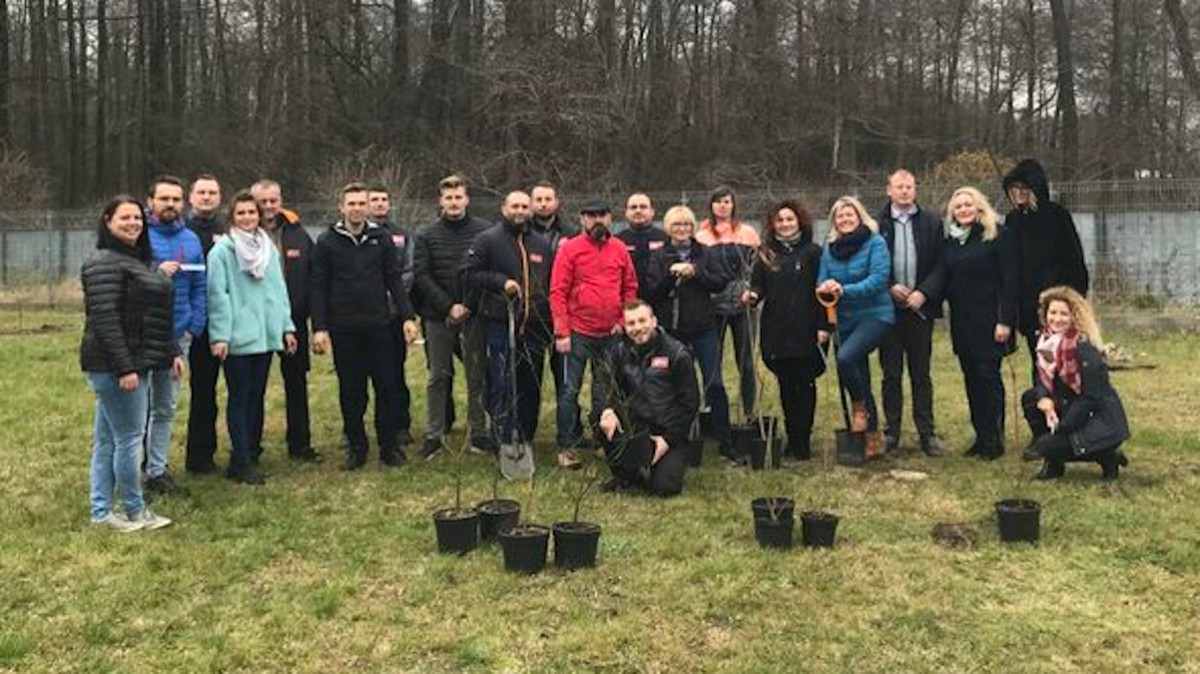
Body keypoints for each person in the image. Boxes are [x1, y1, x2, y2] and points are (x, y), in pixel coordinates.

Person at [81, 196, 176, 531]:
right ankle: (135, 510)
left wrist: (171, 351)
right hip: (116, 368)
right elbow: (105, 320)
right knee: (129, 439)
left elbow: (152, 316)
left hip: (136, 363)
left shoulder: (134, 260)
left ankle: (101, 511)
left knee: (108, 440)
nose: (134, 223)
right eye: (125, 218)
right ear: (108, 221)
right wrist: (125, 368)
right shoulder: (104, 263)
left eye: (137, 217)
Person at [312, 183, 419, 470]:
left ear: (367, 207)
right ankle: (356, 448)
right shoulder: (327, 242)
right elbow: (319, 286)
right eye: (352, 203)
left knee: (386, 387)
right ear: (342, 207)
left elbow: (394, 280)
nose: (357, 208)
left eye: (362, 203)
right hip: (344, 328)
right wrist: (319, 327)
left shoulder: (381, 238)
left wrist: (408, 317)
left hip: (380, 326)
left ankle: (389, 447)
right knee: (351, 391)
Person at [206, 191, 297, 485]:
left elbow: (278, 290)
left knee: (256, 397)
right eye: (241, 213)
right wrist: (219, 335)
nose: (247, 218)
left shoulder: (268, 248)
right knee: (240, 397)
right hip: (237, 337)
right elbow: (217, 296)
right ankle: (240, 459)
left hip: (265, 336)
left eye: (252, 213)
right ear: (232, 217)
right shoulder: (222, 251)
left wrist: (286, 326)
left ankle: (250, 453)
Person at [549, 199, 638, 469]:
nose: (597, 220)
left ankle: (602, 440)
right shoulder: (570, 249)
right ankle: (567, 446)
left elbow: (630, 286)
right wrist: (562, 331)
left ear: (611, 218)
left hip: (609, 334)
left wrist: (623, 320)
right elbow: (558, 291)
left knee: (603, 392)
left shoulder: (620, 249)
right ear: (582, 219)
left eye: (602, 215)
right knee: (569, 391)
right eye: (591, 216)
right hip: (577, 333)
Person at [462, 191, 553, 450]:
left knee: (530, 383)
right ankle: (502, 434)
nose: (520, 211)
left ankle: (524, 436)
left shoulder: (541, 244)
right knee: (501, 381)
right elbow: (469, 274)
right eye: (515, 206)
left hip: (534, 326)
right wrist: (501, 283)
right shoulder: (488, 239)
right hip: (501, 322)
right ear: (504, 208)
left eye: (525, 206)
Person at [644, 205, 735, 462]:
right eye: (676, 225)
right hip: (673, 331)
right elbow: (652, 291)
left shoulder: (704, 252)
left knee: (714, 383)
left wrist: (695, 272)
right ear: (668, 228)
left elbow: (719, 281)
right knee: (677, 387)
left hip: (704, 327)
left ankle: (725, 441)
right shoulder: (660, 255)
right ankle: (677, 439)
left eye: (686, 225)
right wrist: (671, 275)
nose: (682, 230)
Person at [412, 174, 494, 458]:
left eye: (459, 196)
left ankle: (479, 432)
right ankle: (434, 434)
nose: (454, 202)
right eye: (449, 197)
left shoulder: (485, 231)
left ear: (467, 199)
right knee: (438, 376)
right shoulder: (426, 234)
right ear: (441, 201)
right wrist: (449, 307)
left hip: (474, 314)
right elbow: (421, 275)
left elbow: (486, 270)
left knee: (477, 374)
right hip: (438, 316)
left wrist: (467, 305)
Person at [743, 199, 827, 461]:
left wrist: (824, 326)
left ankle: (804, 439)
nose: (785, 224)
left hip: (808, 329)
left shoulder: (814, 253)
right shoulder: (766, 254)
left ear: (799, 221)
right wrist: (752, 295)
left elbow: (823, 291)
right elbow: (758, 286)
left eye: (790, 219)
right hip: (778, 331)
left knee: (806, 384)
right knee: (787, 386)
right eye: (780, 220)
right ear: (773, 224)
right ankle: (793, 438)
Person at [940, 186, 1018, 460]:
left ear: (979, 207)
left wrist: (1005, 321)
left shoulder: (997, 235)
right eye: (958, 206)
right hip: (963, 322)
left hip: (991, 321)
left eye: (967, 204)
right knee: (971, 379)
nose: (963, 209)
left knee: (988, 379)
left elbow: (1010, 281)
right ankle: (981, 436)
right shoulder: (951, 241)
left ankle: (995, 439)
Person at [1020, 286, 1130, 480]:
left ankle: (1107, 456)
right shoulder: (1046, 342)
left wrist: (1063, 427)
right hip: (1069, 405)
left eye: (1064, 314)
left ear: (1074, 317)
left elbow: (1092, 397)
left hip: (1099, 419)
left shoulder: (1084, 348)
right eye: (1052, 312)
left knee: (1045, 445)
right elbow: (1041, 377)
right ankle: (1054, 464)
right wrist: (1044, 398)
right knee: (1030, 399)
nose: (1057, 318)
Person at [875, 170, 947, 457]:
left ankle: (926, 433)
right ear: (888, 190)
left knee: (921, 373)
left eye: (909, 187)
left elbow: (942, 264)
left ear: (915, 190)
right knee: (891, 373)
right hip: (888, 310)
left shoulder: (931, 223)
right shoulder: (876, 225)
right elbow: (872, 264)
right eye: (899, 187)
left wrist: (924, 292)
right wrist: (890, 286)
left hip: (920, 310)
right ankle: (891, 431)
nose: (904, 191)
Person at [817, 196, 895, 457]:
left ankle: (860, 408)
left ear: (860, 216)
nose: (845, 219)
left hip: (875, 314)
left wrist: (843, 290)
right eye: (840, 216)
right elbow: (822, 279)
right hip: (844, 320)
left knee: (845, 357)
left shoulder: (875, 243)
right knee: (859, 374)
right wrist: (825, 286)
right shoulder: (830, 248)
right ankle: (873, 437)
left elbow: (878, 280)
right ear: (834, 222)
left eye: (850, 214)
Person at [144, 175, 206, 496]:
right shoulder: (136, 235)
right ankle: (131, 468)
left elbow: (199, 286)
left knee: (165, 406)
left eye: (176, 199)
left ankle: (157, 470)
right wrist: (155, 270)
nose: (170, 205)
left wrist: (194, 325)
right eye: (164, 198)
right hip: (143, 335)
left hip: (179, 336)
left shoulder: (191, 240)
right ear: (151, 200)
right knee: (138, 407)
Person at [597, 300, 698, 496]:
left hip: (668, 430)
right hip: (636, 425)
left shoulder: (677, 354)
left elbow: (690, 404)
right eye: (631, 323)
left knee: (664, 488)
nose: (638, 328)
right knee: (600, 420)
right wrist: (607, 410)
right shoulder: (619, 351)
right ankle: (626, 474)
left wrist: (667, 440)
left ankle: (661, 465)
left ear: (653, 321)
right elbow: (604, 382)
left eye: (642, 321)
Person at [251, 179, 320, 463]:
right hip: (256, 322)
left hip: (293, 321)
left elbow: (314, 278)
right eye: (263, 201)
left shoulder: (297, 233)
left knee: (297, 383)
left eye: (273, 200)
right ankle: (250, 449)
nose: (269, 206)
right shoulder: (242, 232)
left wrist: (316, 323)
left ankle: (300, 445)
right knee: (254, 387)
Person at [1002, 159, 1090, 370]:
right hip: (1027, 307)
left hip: (1057, 304)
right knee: (1041, 362)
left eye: (1024, 187)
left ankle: (1062, 401)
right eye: (1015, 188)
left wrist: (1072, 299)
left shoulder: (1056, 216)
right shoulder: (1012, 220)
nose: (1019, 193)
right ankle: (1044, 399)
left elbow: (1073, 259)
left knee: (1060, 361)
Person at [696, 186, 760, 423]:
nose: (722, 206)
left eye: (727, 201)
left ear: (734, 205)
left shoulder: (748, 233)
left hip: (743, 306)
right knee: (712, 361)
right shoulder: (701, 236)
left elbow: (758, 268)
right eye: (718, 201)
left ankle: (750, 413)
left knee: (746, 361)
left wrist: (752, 291)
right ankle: (712, 411)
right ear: (711, 205)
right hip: (712, 306)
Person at [529, 180, 584, 446]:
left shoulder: (572, 233)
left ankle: (572, 431)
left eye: (547, 199)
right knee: (531, 377)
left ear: (556, 202)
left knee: (567, 379)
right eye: (538, 199)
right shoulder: (522, 234)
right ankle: (526, 431)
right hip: (533, 316)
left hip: (565, 315)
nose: (543, 204)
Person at [183, 174, 226, 475]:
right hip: (192, 322)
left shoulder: (228, 229)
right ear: (191, 197)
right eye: (202, 192)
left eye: (212, 192)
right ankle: (195, 457)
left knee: (214, 392)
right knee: (199, 392)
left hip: (224, 321)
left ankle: (209, 454)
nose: (207, 197)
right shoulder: (182, 231)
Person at [368, 183, 416, 448]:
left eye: (383, 199)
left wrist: (389, 299)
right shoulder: (358, 235)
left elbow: (407, 272)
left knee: (395, 373)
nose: (379, 204)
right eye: (374, 199)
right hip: (364, 315)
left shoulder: (402, 235)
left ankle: (401, 425)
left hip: (394, 314)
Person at [616, 192, 667, 298]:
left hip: (660, 301)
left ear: (652, 212)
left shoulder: (665, 239)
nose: (638, 210)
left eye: (643, 207)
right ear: (626, 212)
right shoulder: (617, 241)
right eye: (633, 207)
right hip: (628, 301)